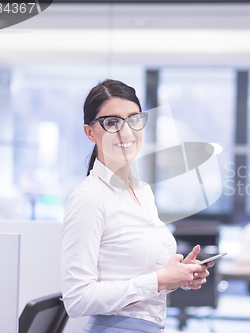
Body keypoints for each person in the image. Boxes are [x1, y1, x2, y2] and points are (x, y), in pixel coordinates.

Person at [61, 79, 213, 333]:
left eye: (134, 119)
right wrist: (158, 280)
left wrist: (179, 276)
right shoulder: (89, 198)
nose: (127, 132)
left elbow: (145, 277)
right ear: (89, 132)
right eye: (111, 123)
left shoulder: (142, 192)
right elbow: (76, 300)